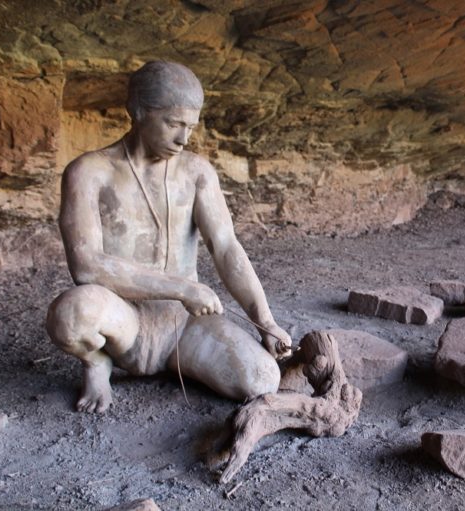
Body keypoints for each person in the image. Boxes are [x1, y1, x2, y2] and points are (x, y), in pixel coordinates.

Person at [46, 61, 292, 413]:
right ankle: (97, 362)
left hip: (183, 323)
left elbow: (225, 248)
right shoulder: (89, 172)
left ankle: (185, 360)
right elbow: (87, 266)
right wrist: (185, 289)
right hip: (124, 319)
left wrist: (264, 320)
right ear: (138, 112)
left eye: (190, 126)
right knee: (70, 314)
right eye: (173, 123)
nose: (183, 138)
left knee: (261, 379)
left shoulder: (196, 172)